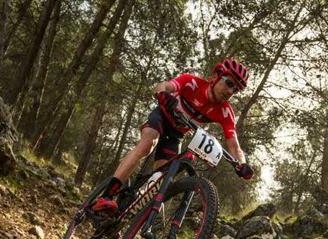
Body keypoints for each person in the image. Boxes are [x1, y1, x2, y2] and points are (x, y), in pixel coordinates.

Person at [91, 58, 254, 214]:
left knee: (161, 181)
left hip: (176, 135)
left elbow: (234, 145)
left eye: (236, 90)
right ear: (216, 77)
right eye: (229, 83)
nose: (231, 91)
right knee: (148, 144)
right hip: (161, 117)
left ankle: (122, 218)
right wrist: (163, 94)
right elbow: (163, 85)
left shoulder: (226, 112)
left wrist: (242, 164)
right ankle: (106, 195)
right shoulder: (192, 82)